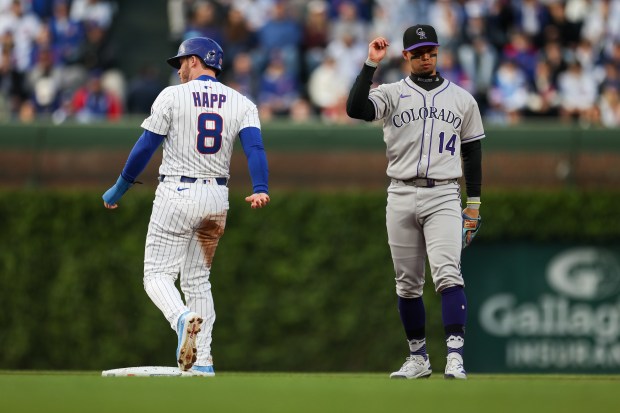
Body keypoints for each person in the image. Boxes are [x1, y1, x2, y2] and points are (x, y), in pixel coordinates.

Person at [102, 37, 270, 377]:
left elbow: (146, 145)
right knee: (198, 281)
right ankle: (204, 362)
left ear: (195, 61)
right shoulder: (242, 101)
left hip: (177, 191)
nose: (179, 69)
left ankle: (180, 318)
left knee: (156, 275)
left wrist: (120, 187)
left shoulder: (172, 95)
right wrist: (260, 187)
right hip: (216, 197)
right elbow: (255, 149)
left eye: (182, 62)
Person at [346, 24, 484, 380]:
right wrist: (369, 64)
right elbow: (355, 108)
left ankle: (455, 355)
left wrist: (474, 203)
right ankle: (418, 357)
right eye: (419, 52)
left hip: (443, 193)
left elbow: (473, 153)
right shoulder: (391, 93)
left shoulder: (462, 98)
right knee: (406, 282)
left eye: (431, 51)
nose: (426, 58)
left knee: (448, 273)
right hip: (401, 190)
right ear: (406, 56)